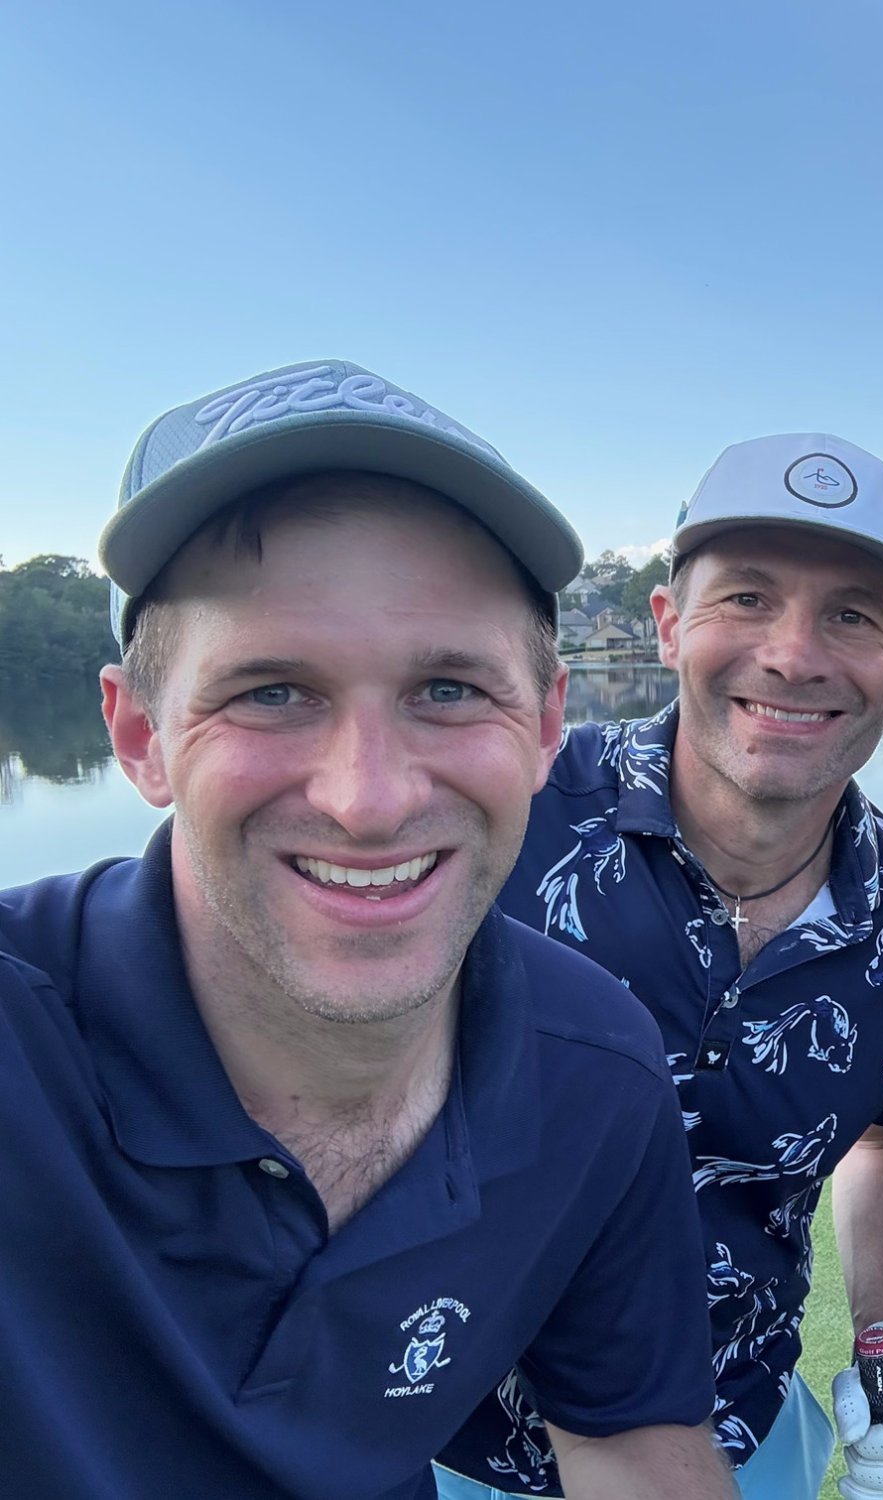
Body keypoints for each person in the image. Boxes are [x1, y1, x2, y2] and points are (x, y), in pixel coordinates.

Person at [0, 360, 731, 1498]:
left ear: (544, 728)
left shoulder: (595, 1072)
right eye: (271, 692)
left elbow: (631, 1438)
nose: (369, 797)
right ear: (140, 734)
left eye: (446, 689)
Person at [437, 434, 883, 1500]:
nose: (791, 654)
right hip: (438, 1443)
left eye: (852, 614)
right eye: (745, 598)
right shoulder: (504, 814)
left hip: (740, 1433)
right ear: (668, 622)